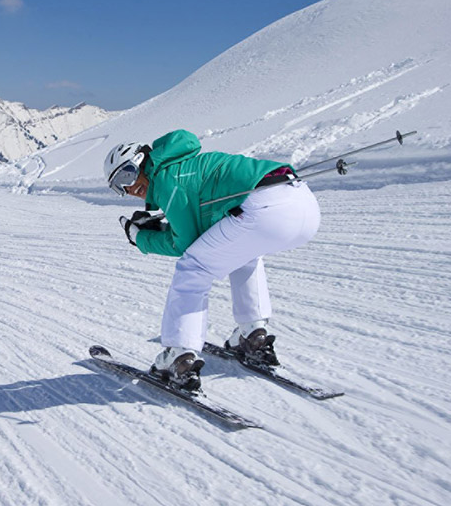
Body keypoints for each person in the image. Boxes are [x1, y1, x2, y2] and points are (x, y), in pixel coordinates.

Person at [105, 129, 320, 389]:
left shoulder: (164, 178)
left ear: (142, 160)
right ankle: (254, 335)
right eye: (119, 187)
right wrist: (162, 228)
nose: (129, 188)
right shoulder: (182, 167)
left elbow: (185, 245)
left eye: (127, 174)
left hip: (264, 207)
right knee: (244, 253)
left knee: (192, 268)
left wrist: (140, 237)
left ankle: (179, 355)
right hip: (303, 204)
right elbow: (204, 229)